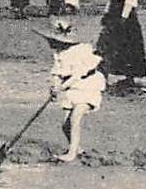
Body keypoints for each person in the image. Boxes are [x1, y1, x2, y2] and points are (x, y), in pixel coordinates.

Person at [40, 18, 104, 163]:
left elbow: (77, 75)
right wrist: (54, 87)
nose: (51, 43)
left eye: (54, 40)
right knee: (65, 125)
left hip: (88, 85)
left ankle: (71, 153)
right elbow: (57, 73)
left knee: (76, 117)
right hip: (72, 90)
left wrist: (61, 87)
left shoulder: (80, 51)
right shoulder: (58, 53)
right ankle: (77, 148)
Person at [95, 0, 146, 88]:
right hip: (114, 8)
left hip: (124, 10)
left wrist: (124, 17)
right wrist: (106, 12)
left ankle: (130, 75)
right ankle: (103, 74)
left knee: (128, 43)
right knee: (106, 42)